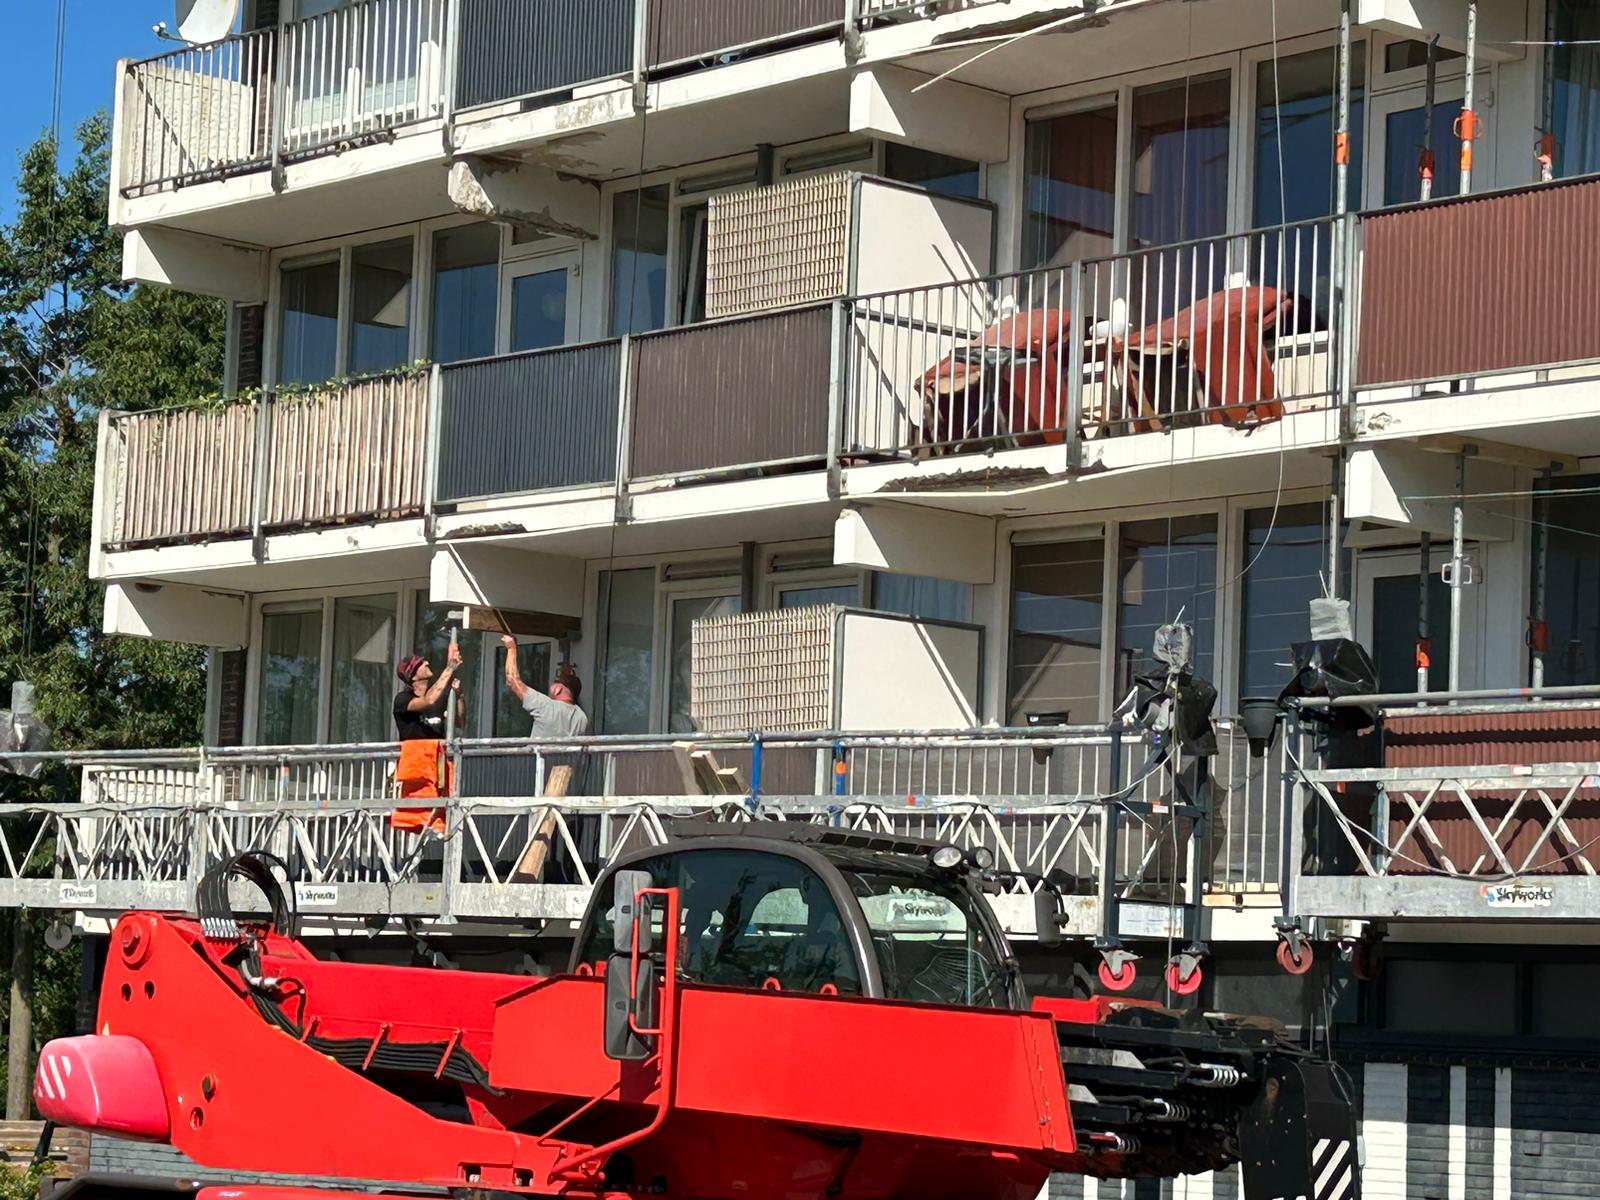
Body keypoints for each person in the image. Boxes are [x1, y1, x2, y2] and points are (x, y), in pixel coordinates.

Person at [501, 637, 590, 738]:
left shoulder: (546, 706)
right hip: (565, 754)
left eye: (555, 682)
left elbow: (512, 680)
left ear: (558, 690)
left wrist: (511, 648)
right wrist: (566, 676)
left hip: (538, 754)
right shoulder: (581, 718)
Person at [393, 641, 467, 741]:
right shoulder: (403, 699)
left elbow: (459, 722)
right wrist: (450, 668)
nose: (427, 663)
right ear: (412, 676)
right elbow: (429, 700)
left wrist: (459, 695)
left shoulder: (438, 695)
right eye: (420, 663)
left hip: (438, 754)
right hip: (416, 755)